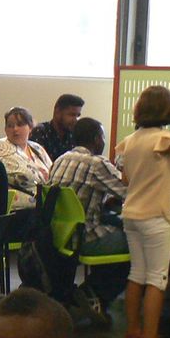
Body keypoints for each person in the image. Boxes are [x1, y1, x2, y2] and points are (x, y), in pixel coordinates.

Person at [49, 117, 128, 325]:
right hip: (85, 237)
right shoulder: (96, 163)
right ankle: (96, 293)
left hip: (61, 236)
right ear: (96, 139)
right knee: (137, 242)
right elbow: (131, 193)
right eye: (102, 136)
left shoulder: (61, 159)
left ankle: (90, 293)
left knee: (114, 222)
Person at [114, 85, 170, 338]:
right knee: (157, 279)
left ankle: (133, 332)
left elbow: (125, 179)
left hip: (131, 215)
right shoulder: (166, 140)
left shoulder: (130, 141)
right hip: (157, 216)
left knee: (136, 274)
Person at [0, 106, 52, 211]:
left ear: (30, 127)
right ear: (5, 129)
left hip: (42, 208)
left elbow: (51, 173)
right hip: (14, 211)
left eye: (20, 124)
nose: (15, 129)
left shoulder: (37, 148)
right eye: (10, 126)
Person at [30, 94, 84, 163]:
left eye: (78, 115)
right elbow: (38, 164)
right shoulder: (40, 132)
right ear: (57, 112)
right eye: (72, 115)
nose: (76, 120)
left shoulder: (75, 135)